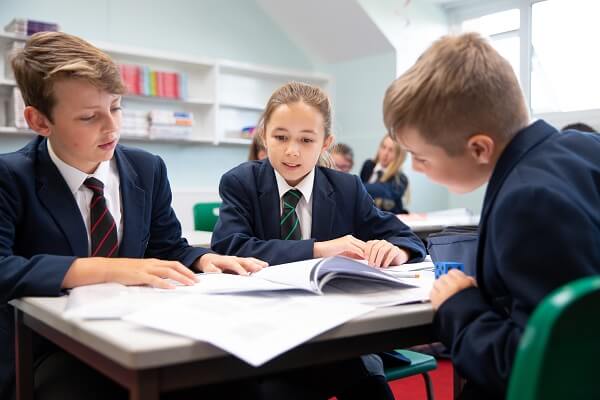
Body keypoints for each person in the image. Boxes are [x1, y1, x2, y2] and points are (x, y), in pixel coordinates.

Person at [0, 31, 267, 400]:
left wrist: (204, 258)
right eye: (89, 116)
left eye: (117, 106)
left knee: (236, 382)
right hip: (50, 349)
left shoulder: (146, 169)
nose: (111, 127)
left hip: (141, 331)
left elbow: (166, 246)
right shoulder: (11, 177)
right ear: (39, 121)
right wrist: (111, 268)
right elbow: (4, 268)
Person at [382, 32, 600, 400]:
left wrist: (459, 307)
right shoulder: (584, 148)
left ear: (479, 148)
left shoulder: (527, 202)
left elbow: (536, 365)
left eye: (420, 157)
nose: (416, 169)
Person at [212, 81, 426, 399]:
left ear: (326, 142)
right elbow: (230, 245)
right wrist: (316, 249)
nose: (292, 150)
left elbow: (406, 237)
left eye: (306, 140)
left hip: (335, 334)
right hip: (266, 334)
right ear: (263, 135)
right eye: (280, 137)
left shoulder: (347, 188)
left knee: (371, 386)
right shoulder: (241, 182)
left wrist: (396, 251)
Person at [360, 135, 410, 214]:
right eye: (383, 147)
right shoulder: (368, 166)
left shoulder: (401, 179)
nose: (385, 153)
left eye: (391, 150)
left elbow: (384, 191)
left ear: (399, 156)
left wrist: (359, 187)